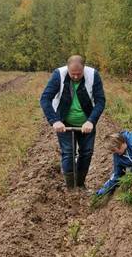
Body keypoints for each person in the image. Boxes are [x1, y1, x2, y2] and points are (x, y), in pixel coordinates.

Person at [40, 55, 106, 188]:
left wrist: (91, 121)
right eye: (72, 74)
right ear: (67, 68)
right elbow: (45, 99)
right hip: (64, 123)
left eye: (79, 74)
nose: (75, 77)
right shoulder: (58, 75)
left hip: (86, 123)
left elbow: (100, 101)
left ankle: (80, 185)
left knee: (86, 153)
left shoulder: (93, 75)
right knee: (68, 153)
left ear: (84, 68)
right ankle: (71, 187)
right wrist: (55, 121)